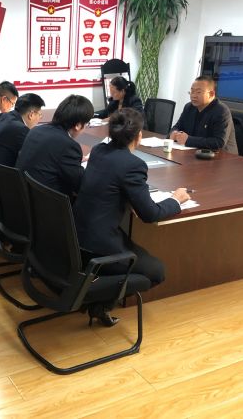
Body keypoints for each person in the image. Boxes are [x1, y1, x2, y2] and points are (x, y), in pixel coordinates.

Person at [73, 108, 190, 325]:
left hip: (75, 239)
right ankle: (98, 299)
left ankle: (97, 288)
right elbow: (150, 214)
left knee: (136, 251)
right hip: (99, 247)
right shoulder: (133, 165)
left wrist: (126, 198)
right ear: (139, 136)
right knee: (156, 272)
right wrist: (176, 200)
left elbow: (108, 183)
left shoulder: (99, 150)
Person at [16, 94, 92, 198]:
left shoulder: (36, 130)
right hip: (49, 203)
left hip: (22, 196)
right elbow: (80, 185)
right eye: (87, 124)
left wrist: (72, 160)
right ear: (78, 125)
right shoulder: (68, 145)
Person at [0, 93, 45, 193]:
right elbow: (31, 162)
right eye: (40, 115)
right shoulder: (20, 130)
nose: (39, 118)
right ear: (31, 114)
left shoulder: (3, 117)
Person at [169, 75, 238, 154]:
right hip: (194, 153)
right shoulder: (189, 107)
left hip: (222, 157)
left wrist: (188, 140)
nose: (193, 95)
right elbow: (178, 126)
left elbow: (219, 142)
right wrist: (174, 133)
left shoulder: (222, 111)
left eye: (198, 92)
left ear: (211, 94)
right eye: (192, 91)